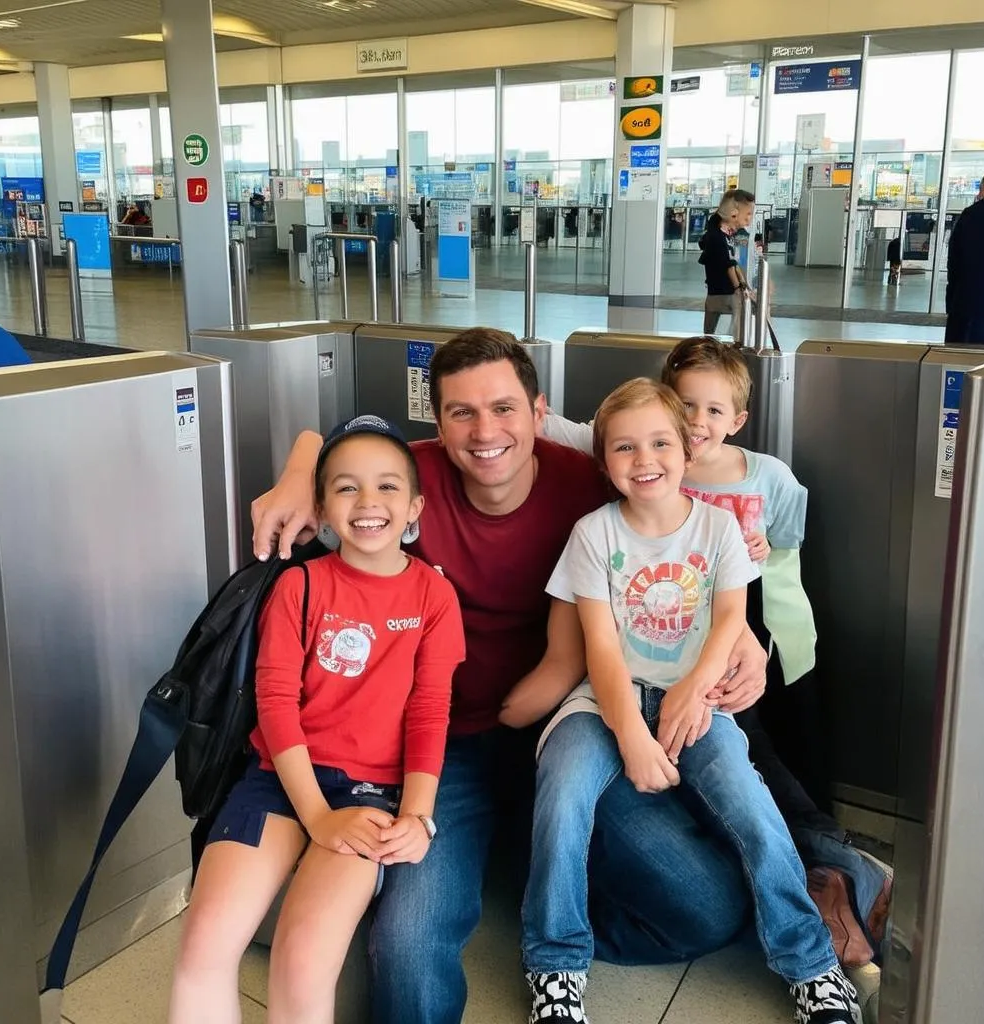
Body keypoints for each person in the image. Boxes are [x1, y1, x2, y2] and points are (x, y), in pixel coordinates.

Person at [251, 328, 771, 1024]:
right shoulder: (408, 484)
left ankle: (546, 909)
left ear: (538, 411)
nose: (484, 430)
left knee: (708, 908)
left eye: (503, 409)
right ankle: (507, 871)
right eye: (461, 412)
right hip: (440, 753)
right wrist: (300, 465)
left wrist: (750, 640)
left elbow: (689, 529)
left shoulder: (590, 481)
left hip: (572, 731)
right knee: (406, 949)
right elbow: (340, 460)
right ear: (436, 423)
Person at [535, 336, 892, 969]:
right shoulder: (614, 501)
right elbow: (566, 429)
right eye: (685, 406)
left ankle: (826, 893)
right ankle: (826, 873)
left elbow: (767, 572)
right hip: (641, 662)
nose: (696, 424)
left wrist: (745, 645)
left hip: (725, 644)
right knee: (716, 772)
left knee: (752, 769)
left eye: (712, 412)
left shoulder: (751, 487)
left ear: (736, 420)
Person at [169, 415, 465, 1024]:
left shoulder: (435, 596)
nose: (368, 502)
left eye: (387, 487)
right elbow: (275, 704)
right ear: (323, 512)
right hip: (277, 780)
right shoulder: (300, 586)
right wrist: (317, 815)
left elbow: (430, 711)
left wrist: (417, 814)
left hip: (370, 794)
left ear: (414, 508)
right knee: (203, 949)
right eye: (347, 487)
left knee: (301, 965)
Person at [945, 169, 984, 346]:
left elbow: (954, 263)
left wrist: (952, 302)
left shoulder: (971, 216)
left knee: (963, 363)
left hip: (971, 306)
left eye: (980, 190)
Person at [699, 189, 756, 335]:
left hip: (719, 292)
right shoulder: (718, 237)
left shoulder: (725, 235)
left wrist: (744, 286)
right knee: (737, 315)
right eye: (748, 213)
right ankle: (736, 346)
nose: (750, 218)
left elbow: (733, 263)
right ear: (734, 213)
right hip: (722, 292)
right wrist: (739, 289)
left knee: (711, 330)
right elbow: (729, 265)